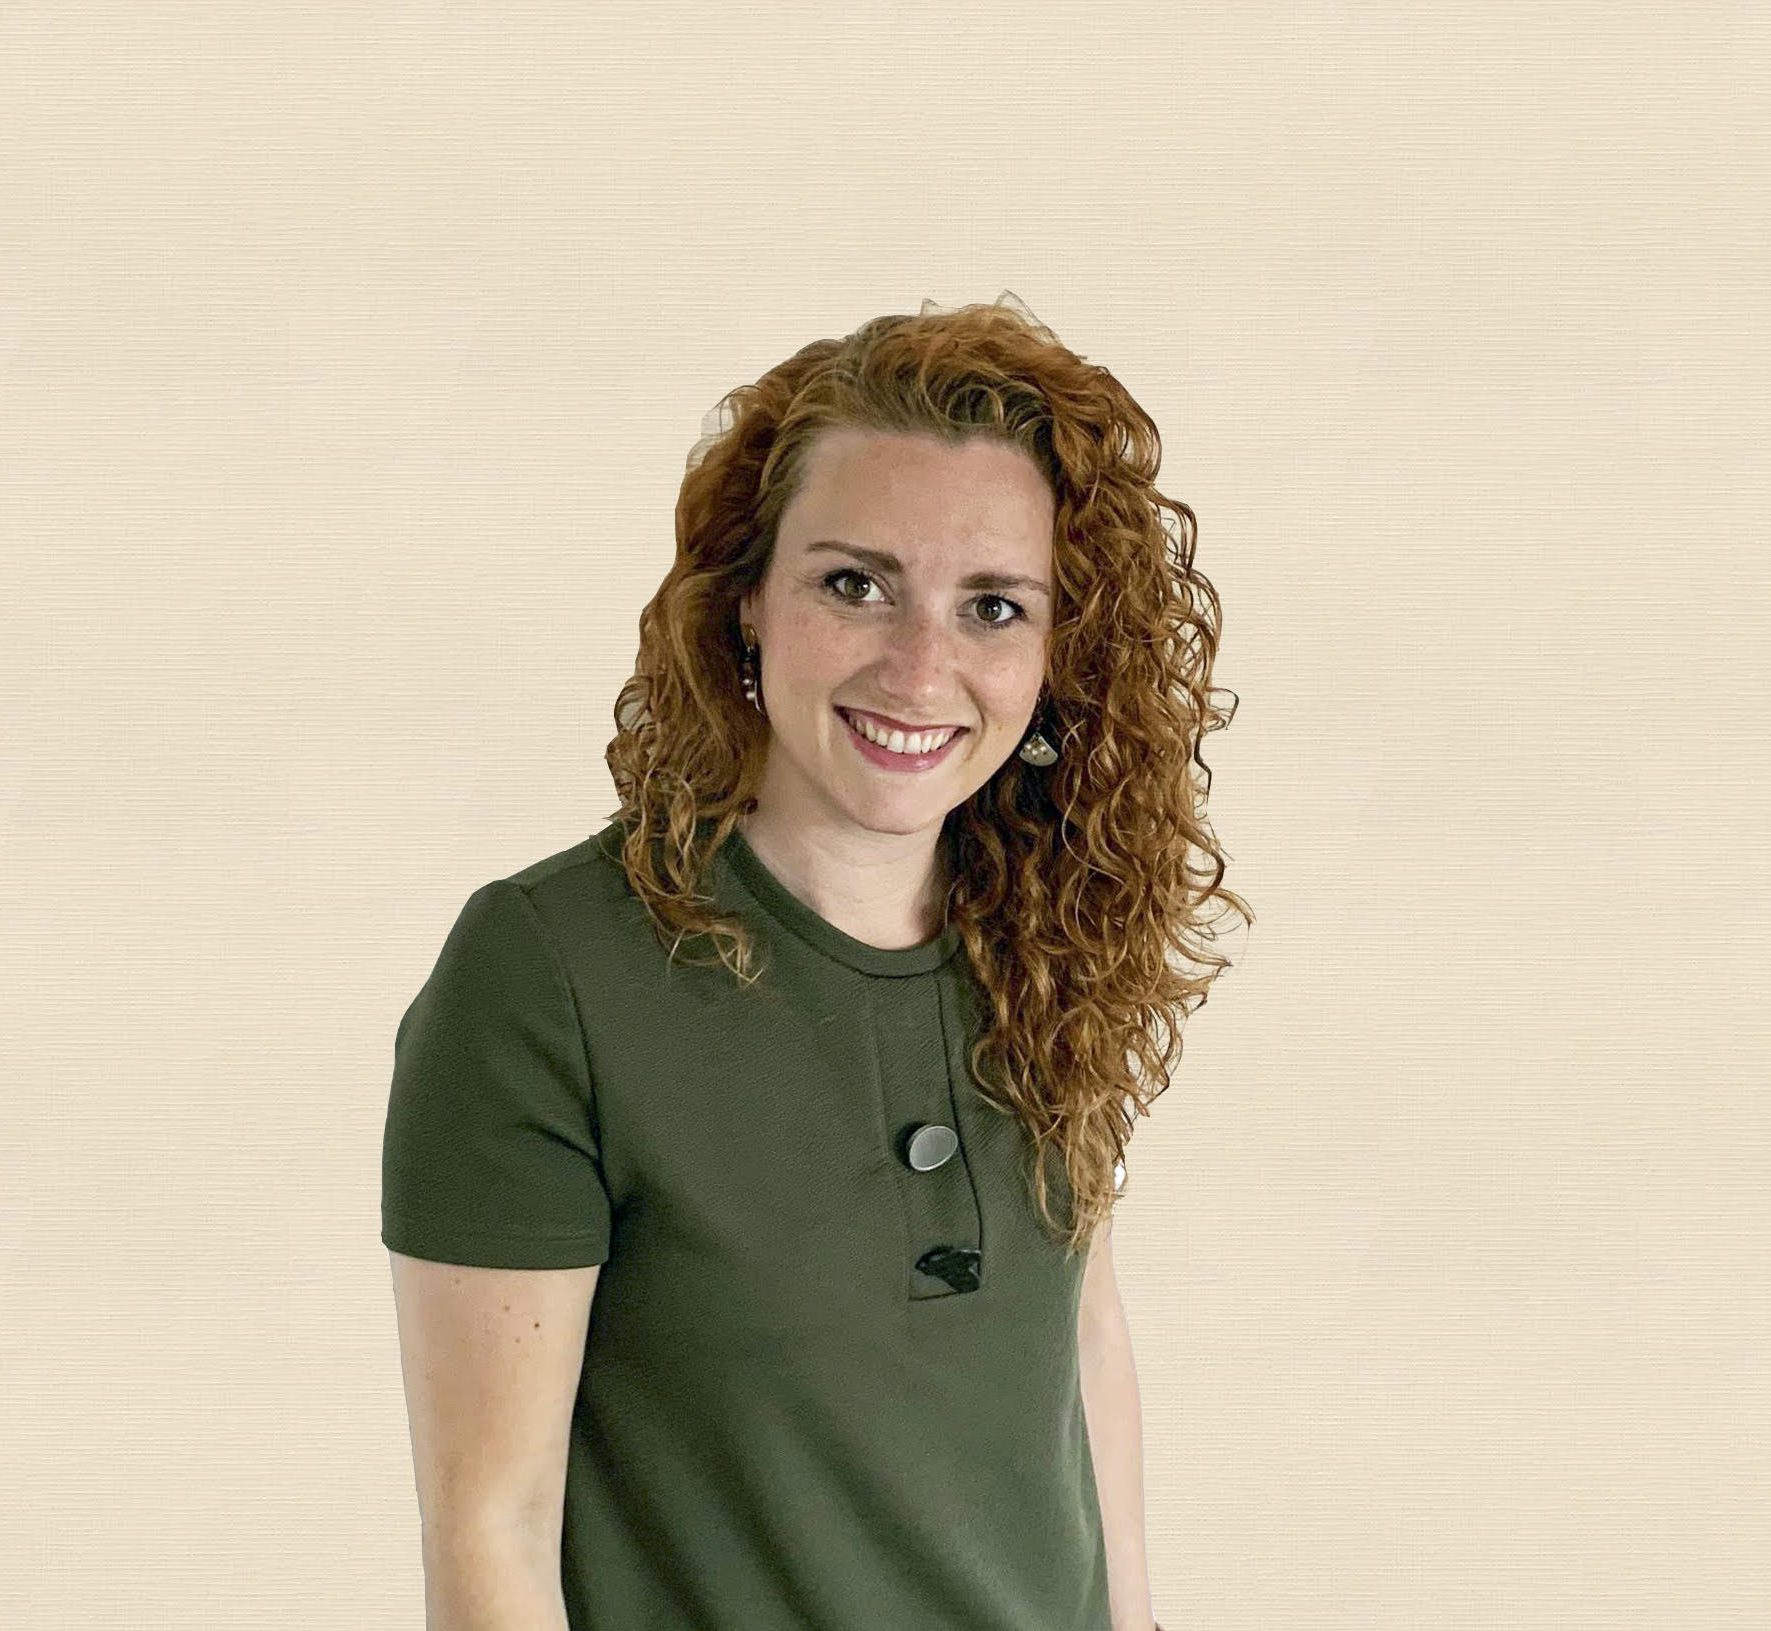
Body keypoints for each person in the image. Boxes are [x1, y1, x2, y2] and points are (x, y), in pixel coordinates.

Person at [381, 291, 1247, 1630]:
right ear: (747, 601)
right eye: (856, 585)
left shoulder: (1050, 935)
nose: (921, 668)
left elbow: (1080, 1359)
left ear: (1055, 653)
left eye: (993, 607)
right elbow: (490, 1528)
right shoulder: (549, 975)